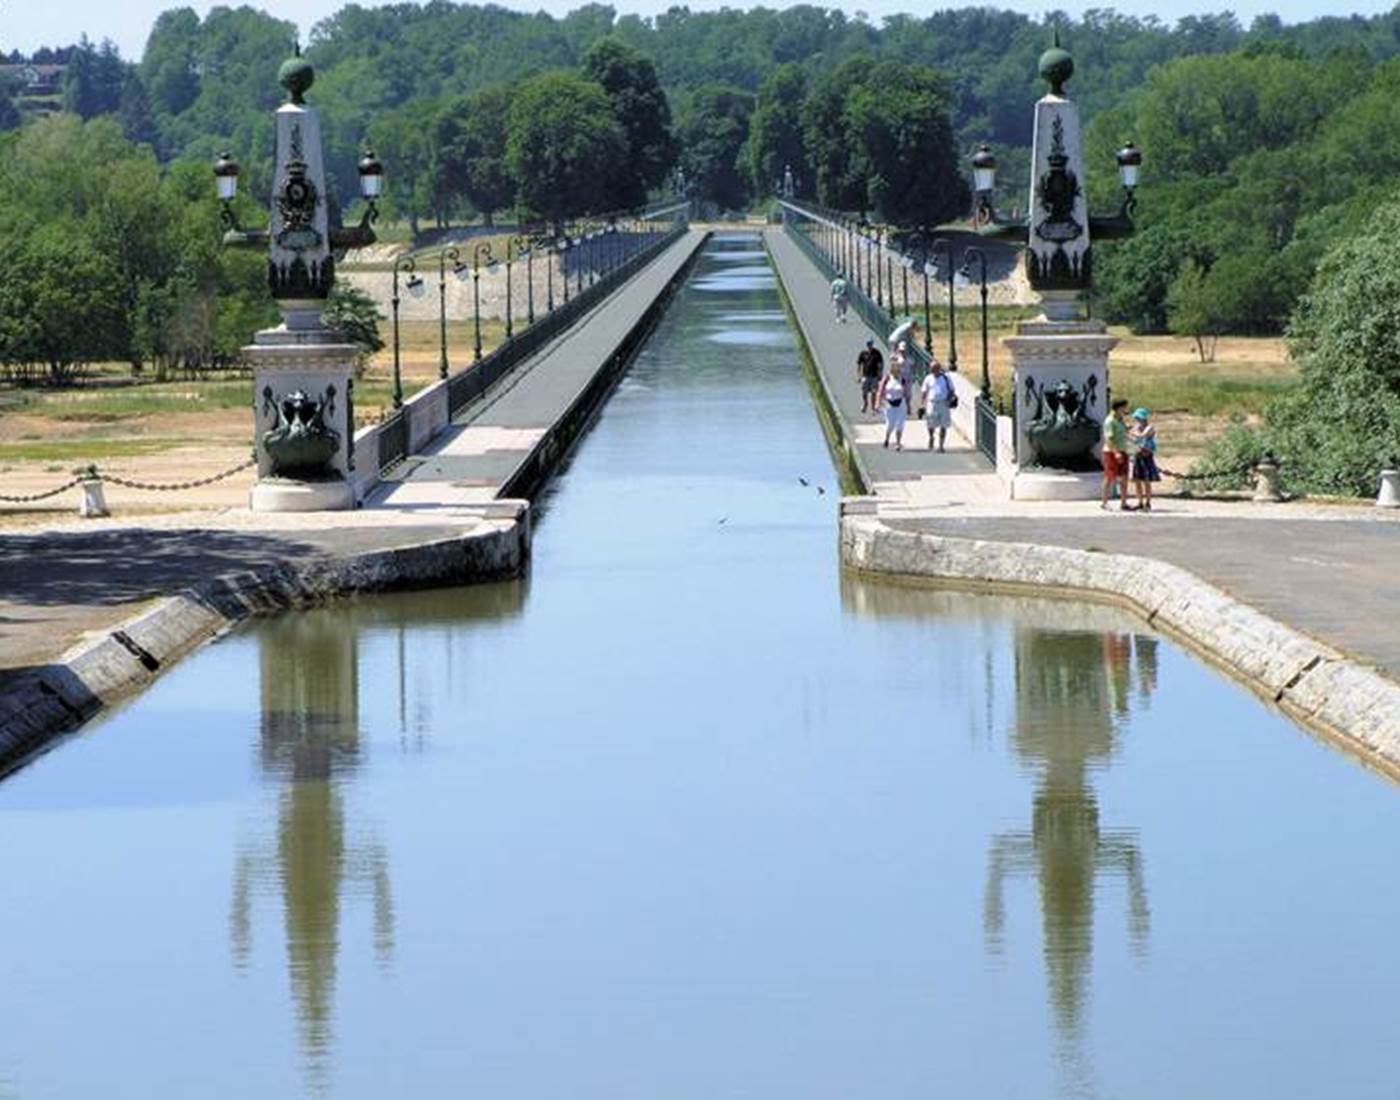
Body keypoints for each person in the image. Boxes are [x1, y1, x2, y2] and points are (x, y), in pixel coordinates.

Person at [1101, 398, 1133, 511]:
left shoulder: (1120, 419)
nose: (1126, 409)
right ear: (1119, 407)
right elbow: (1108, 439)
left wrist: (1127, 429)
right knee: (1109, 477)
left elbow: (1122, 431)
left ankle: (1124, 503)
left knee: (1124, 477)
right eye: (1124, 407)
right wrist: (1116, 453)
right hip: (1111, 452)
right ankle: (1104, 502)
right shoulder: (1109, 421)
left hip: (1123, 450)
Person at [1129, 407, 1160, 512]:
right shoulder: (1136, 427)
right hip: (1138, 454)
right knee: (1137, 480)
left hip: (1147, 455)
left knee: (1146, 481)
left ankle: (1148, 502)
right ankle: (1140, 502)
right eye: (1136, 418)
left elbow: (1142, 436)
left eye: (1139, 418)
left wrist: (1129, 432)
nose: (1137, 420)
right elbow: (1134, 439)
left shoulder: (1150, 427)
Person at [920, 359, 954, 452]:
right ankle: (931, 437)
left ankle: (941, 445)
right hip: (932, 403)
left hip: (943, 403)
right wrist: (922, 404)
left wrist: (949, 399)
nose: (932, 370)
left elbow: (951, 390)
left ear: (938, 368)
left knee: (944, 425)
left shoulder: (946, 378)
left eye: (934, 368)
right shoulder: (928, 378)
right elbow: (924, 392)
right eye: (931, 368)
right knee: (930, 423)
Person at [881, 364, 907, 450]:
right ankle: (887, 439)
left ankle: (898, 443)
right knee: (890, 424)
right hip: (889, 404)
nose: (897, 373)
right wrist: (878, 401)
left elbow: (905, 391)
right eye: (895, 371)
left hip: (900, 404)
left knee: (900, 424)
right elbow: (881, 389)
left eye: (898, 371)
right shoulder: (887, 378)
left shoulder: (902, 379)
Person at [856, 338, 884, 414]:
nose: (869, 345)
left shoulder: (877, 353)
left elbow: (880, 364)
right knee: (864, 393)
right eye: (868, 344)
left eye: (870, 344)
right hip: (865, 376)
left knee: (873, 392)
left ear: (872, 344)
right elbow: (859, 364)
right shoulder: (863, 353)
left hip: (874, 376)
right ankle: (865, 403)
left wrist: (880, 373)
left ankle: (873, 407)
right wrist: (858, 376)